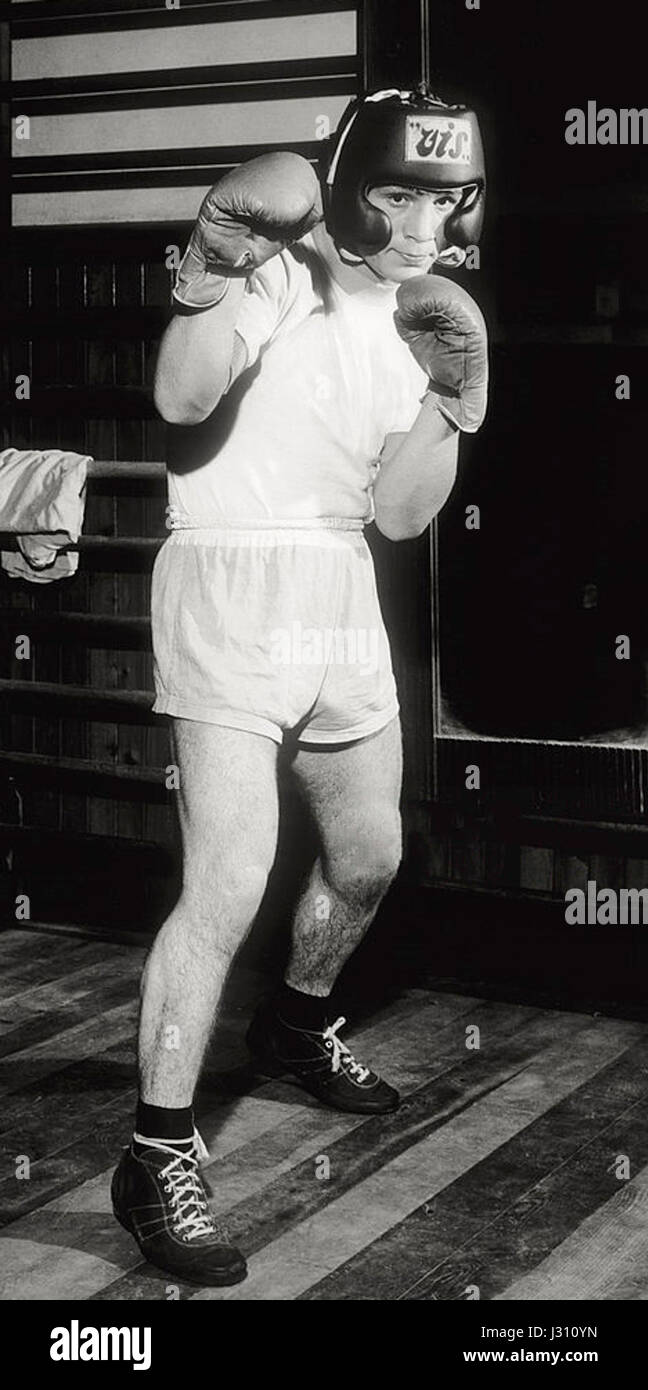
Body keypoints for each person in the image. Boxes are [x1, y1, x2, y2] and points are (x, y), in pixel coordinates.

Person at [111, 85, 488, 1287]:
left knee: (369, 856)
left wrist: (452, 403)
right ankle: (155, 1150)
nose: (423, 219)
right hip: (229, 572)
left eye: (445, 195)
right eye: (398, 192)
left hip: (336, 581)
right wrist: (216, 258)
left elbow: (398, 514)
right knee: (228, 874)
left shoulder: (422, 311)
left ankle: (293, 1021)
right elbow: (178, 399)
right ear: (351, 185)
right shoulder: (285, 267)